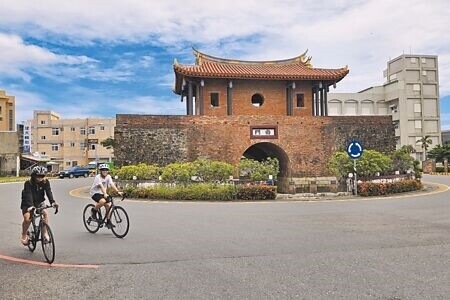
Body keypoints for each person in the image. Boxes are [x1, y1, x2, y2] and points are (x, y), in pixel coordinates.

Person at [20, 166, 59, 245]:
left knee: (45, 213)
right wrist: (30, 206)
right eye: (38, 176)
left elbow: (49, 192)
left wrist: (53, 202)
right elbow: (28, 195)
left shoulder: (45, 182)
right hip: (27, 202)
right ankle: (24, 235)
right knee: (27, 219)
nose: (40, 178)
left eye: (42, 176)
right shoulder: (28, 183)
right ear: (33, 175)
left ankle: (45, 233)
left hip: (39, 202)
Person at [89, 163, 123, 229]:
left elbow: (112, 184)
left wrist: (118, 191)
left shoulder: (108, 176)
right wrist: (105, 193)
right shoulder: (97, 177)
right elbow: (101, 186)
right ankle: (94, 210)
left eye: (106, 170)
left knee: (108, 205)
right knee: (102, 201)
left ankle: (108, 221)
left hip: (103, 193)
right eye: (103, 170)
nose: (105, 171)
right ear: (100, 171)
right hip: (95, 193)